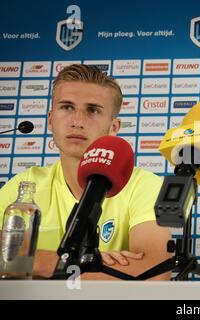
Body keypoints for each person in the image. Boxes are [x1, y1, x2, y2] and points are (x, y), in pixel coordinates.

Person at [0, 64, 171, 280]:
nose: (77, 122)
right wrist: (90, 263)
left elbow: (154, 274)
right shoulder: (24, 184)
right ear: (51, 120)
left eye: (93, 110)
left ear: (114, 127)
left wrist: (33, 261)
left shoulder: (143, 184)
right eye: (67, 107)